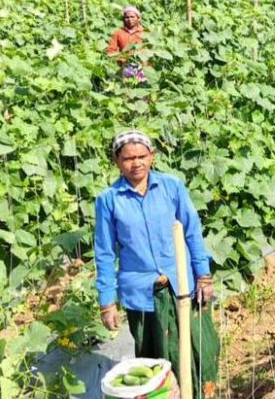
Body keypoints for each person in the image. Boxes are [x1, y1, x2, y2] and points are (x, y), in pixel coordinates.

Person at [94, 130, 220, 398]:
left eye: (142, 156)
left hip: (182, 285)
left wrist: (203, 275)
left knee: (202, 349)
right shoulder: (108, 200)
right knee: (156, 358)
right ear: (116, 161)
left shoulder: (171, 186)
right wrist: (107, 302)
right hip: (143, 294)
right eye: (128, 158)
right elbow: (105, 253)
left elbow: (192, 232)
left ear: (152, 156)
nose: (136, 163)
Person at [106, 6, 148, 82]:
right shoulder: (118, 33)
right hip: (125, 66)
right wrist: (121, 58)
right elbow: (110, 51)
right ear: (123, 19)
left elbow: (150, 49)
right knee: (127, 88)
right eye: (127, 17)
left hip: (142, 66)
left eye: (132, 17)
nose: (129, 19)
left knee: (143, 88)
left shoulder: (144, 32)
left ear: (138, 18)